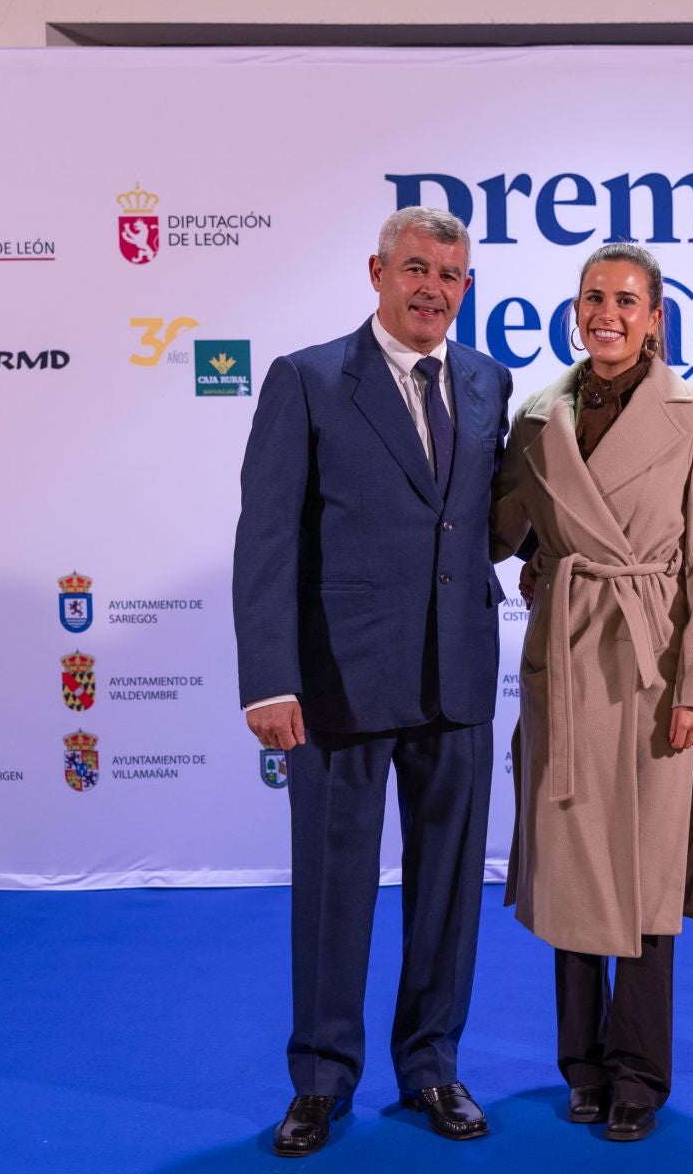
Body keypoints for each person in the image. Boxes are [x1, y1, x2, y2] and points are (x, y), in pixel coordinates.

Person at [233, 206, 511, 1156]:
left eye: (451, 274)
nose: (434, 288)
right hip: (338, 683)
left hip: (458, 679)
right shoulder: (307, 380)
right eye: (417, 269)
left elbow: (477, 524)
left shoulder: (487, 380)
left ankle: (432, 1064)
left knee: (449, 893)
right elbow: (265, 540)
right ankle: (320, 1080)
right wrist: (269, 680)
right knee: (332, 890)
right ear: (377, 272)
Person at [491, 243, 693, 1143]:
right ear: (574, 309)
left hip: (653, 667)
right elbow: (500, 527)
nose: (607, 314)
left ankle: (638, 1070)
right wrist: (543, 566)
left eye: (626, 301)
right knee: (569, 869)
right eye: (593, 298)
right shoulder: (536, 415)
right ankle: (579, 1065)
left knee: (643, 875)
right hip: (564, 666)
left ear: (656, 316)